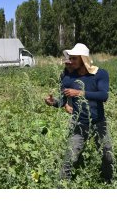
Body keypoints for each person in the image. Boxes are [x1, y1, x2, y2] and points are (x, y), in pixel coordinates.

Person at [45, 43, 114, 184]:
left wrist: (80, 92)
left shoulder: (100, 74)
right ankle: (62, 187)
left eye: (74, 58)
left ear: (83, 59)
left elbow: (103, 96)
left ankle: (108, 181)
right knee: (70, 157)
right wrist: (53, 102)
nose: (70, 61)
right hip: (79, 124)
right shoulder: (68, 78)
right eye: (70, 58)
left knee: (107, 155)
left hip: (98, 122)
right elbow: (63, 101)